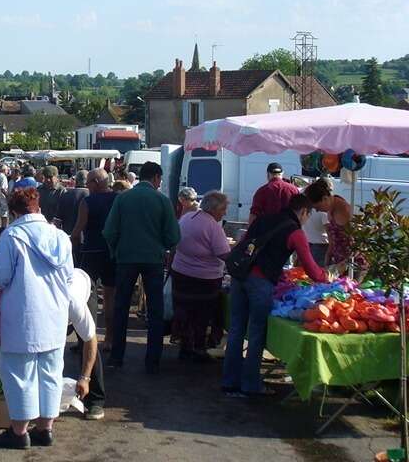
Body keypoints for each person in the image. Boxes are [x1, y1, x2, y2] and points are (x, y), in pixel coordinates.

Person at [0, 187, 74, 449]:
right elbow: (69, 275)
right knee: (51, 371)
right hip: (55, 314)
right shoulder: (60, 237)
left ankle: (19, 431)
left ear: (14, 212)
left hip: (23, 314)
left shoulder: (13, 235)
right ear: (38, 207)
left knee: (18, 372)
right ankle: (45, 428)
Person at [222, 194, 327, 397]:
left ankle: (229, 382)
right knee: (256, 333)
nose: (306, 220)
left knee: (236, 329)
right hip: (261, 281)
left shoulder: (263, 219)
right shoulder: (295, 231)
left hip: (240, 275)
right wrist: (326, 276)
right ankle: (250, 385)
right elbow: (312, 270)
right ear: (304, 212)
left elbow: (246, 244)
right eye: (308, 216)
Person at [103, 162, 180, 373]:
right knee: (155, 310)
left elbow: (109, 231)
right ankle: (152, 361)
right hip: (153, 260)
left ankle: (116, 357)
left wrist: (116, 251)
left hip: (126, 258)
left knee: (121, 307)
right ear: (156, 178)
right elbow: (173, 236)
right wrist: (162, 247)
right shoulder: (162, 200)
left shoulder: (122, 199)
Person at [171, 191, 231, 363]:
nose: (225, 213)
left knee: (184, 313)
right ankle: (198, 349)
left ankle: (185, 346)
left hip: (181, 273)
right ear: (213, 209)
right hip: (204, 279)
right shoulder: (212, 226)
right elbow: (223, 254)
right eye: (223, 209)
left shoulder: (187, 218)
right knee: (201, 316)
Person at [70, 168, 117, 351]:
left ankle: (86, 341)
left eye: (88, 182)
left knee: (85, 295)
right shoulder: (117, 199)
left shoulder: (87, 202)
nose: (86, 185)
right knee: (110, 296)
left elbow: (78, 230)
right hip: (112, 251)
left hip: (91, 251)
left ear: (96, 183)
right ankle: (110, 339)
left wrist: (73, 247)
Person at [67, 268, 104, 421]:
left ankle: (96, 400)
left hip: (84, 288)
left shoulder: (74, 303)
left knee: (85, 341)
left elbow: (91, 341)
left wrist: (85, 378)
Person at [303, 179, 361, 270]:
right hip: (339, 262)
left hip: (352, 265)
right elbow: (333, 240)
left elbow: (357, 242)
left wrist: (346, 263)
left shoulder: (343, 210)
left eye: (317, 207)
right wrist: (328, 256)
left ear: (325, 198)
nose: (317, 210)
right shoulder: (331, 208)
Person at [56, 170, 89, 236]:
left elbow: (58, 221)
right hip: (86, 236)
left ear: (76, 181)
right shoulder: (91, 195)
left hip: (68, 236)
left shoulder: (65, 195)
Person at [0, 165, 10, 234]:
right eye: (7, 170)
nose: (8, 171)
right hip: (2, 199)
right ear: (4, 170)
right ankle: (3, 232)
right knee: (4, 218)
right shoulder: (3, 177)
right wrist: (8, 196)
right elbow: (3, 189)